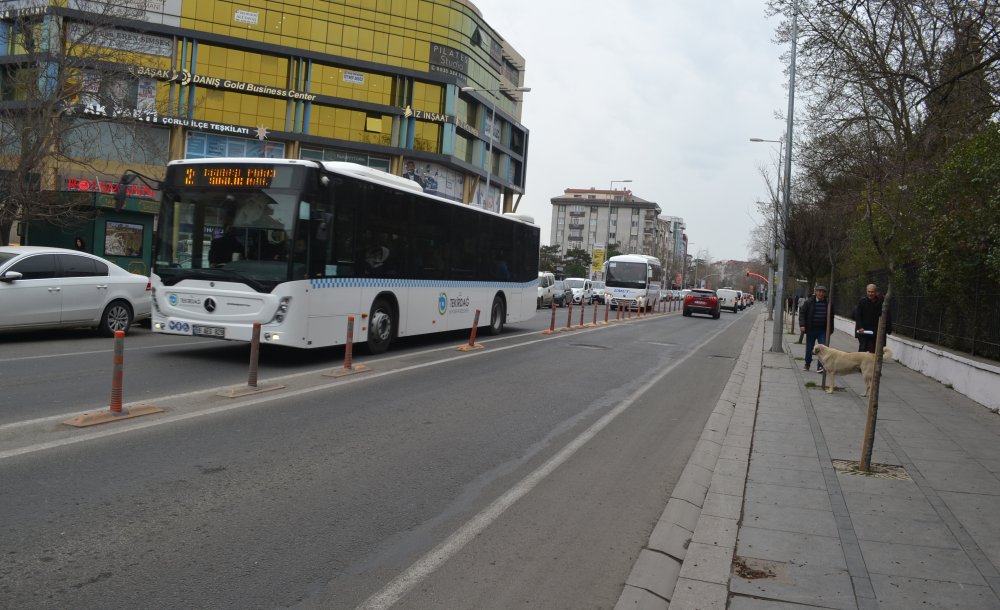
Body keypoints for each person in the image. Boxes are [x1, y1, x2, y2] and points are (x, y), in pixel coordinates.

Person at [799, 285, 832, 372]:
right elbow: (802, 313)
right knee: (810, 347)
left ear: (825, 293)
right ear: (816, 292)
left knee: (823, 349)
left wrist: (830, 329)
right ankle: (807, 364)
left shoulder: (828, 303)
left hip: (823, 330)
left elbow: (831, 317)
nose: (821, 293)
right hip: (811, 329)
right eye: (819, 291)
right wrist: (802, 325)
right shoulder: (809, 302)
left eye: (823, 292)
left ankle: (820, 366)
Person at [853, 283, 892, 352]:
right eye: (869, 291)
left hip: (875, 331)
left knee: (874, 350)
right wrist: (860, 327)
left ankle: (871, 362)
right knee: (863, 348)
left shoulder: (881, 302)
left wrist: (888, 329)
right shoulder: (862, 302)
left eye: (872, 292)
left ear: (876, 292)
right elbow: (858, 315)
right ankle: (860, 362)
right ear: (866, 291)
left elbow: (886, 315)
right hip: (863, 330)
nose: (870, 293)